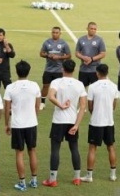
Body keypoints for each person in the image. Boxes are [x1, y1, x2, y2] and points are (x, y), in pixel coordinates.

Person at [43, 59, 87, 187]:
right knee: (74, 148)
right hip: (72, 121)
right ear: (74, 70)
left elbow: (50, 96)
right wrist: (77, 125)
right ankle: (77, 178)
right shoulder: (79, 84)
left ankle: (52, 179)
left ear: (63, 69)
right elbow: (83, 106)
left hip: (58, 121)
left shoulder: (56, 82)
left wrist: (61, 105)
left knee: (55, 149)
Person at [4, 60, 41, 191]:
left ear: (16, 72)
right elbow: (37, 106)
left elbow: (7, 108)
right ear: (28, 71)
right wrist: (33, 117)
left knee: (19, 153)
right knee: (32, 151)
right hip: (31, 123)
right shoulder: (35, 86)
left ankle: (22, 182)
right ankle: (34, 181)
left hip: (17, 124)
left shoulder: (10, 87)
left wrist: (6, 124)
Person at [79, 64, 120, 183]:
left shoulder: (92, 87)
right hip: (109, 122)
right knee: (111, 147)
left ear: (97, 73)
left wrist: (95, 113)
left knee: (92, 148)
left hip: (96, 122)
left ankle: (89, 175)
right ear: (107, 72)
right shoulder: (114, 86)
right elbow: (114, 105)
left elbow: (90, 106)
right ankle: (113, 175)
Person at [39, 27, 71, 110]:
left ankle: (59, 102)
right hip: (48, 69)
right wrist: (48, 55)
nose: (55, 34)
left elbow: (69, 55)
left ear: (60, 33)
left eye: (57, 33)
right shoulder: (47, 42)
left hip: (59, 70)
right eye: (53, 32)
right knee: (45, 86)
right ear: (51, 33)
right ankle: (42, 102)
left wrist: (59, 57)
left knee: (60, 87)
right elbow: (41, 53)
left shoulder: (64, 43)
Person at [75, 22, 106, 88]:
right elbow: (77, 53)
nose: (93, 30)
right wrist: (83, 57)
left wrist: (91, 59)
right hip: (83, 69)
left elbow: (103, 54)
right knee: (81, 89)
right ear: (87, 29)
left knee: (96, 90)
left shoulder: (99, 40)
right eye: (91, 28)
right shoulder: (81, 39)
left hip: (95, 70)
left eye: (95, 29)